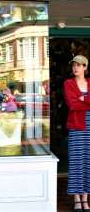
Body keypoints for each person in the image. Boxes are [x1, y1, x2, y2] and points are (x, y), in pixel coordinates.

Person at [64, 55, 90, 212]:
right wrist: (85, 100)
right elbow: (72, 104)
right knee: (76, 162)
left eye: (79, 65)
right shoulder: (68, 83)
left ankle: (85, 199)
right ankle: (76, 198)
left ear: (85, 67)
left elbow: (80, 102)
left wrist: (82, 98)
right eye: (74, 65)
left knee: (88, 161)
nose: (75, 68)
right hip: (76, 126)